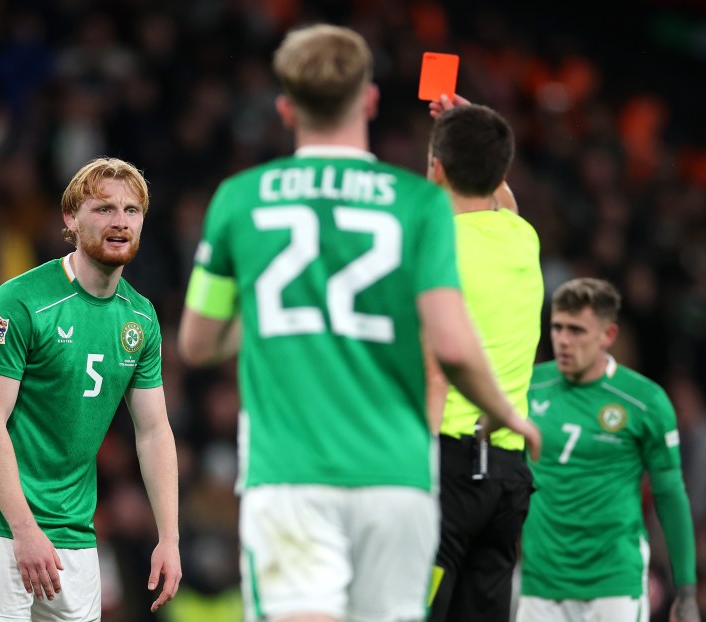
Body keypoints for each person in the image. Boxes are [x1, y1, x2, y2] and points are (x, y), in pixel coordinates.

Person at [177, 24, 540, 622]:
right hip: (420, 471)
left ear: (285, 108)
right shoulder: (432, 213)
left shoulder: (240, 198)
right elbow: (496, 210)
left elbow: (197, 341)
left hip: (306, 459)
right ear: (369, 101)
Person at [0, 157, 182, 621]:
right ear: (70, 219)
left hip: (74, 532)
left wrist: (169, 538)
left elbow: (154, 430)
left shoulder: (140, 317)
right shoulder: (19, 302)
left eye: (132, 211)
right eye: (104, 209)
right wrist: (24, 529)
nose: (120, 222)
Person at [422, 101, 543, 622]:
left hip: (447, 469)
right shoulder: (522, 238)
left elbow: (434, 370)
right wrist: (474, 122)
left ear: (437, 169)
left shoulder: (434, 247)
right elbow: (503, 198)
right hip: (507, 480)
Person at [517, 277, 699, 622]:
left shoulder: (645, 401)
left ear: (608, 336)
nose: (563, 341)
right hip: (541, 583)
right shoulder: (529, 387)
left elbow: (671, 495)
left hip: (613, 584)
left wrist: (686, 590)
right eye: (557, 328)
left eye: (577, 330)